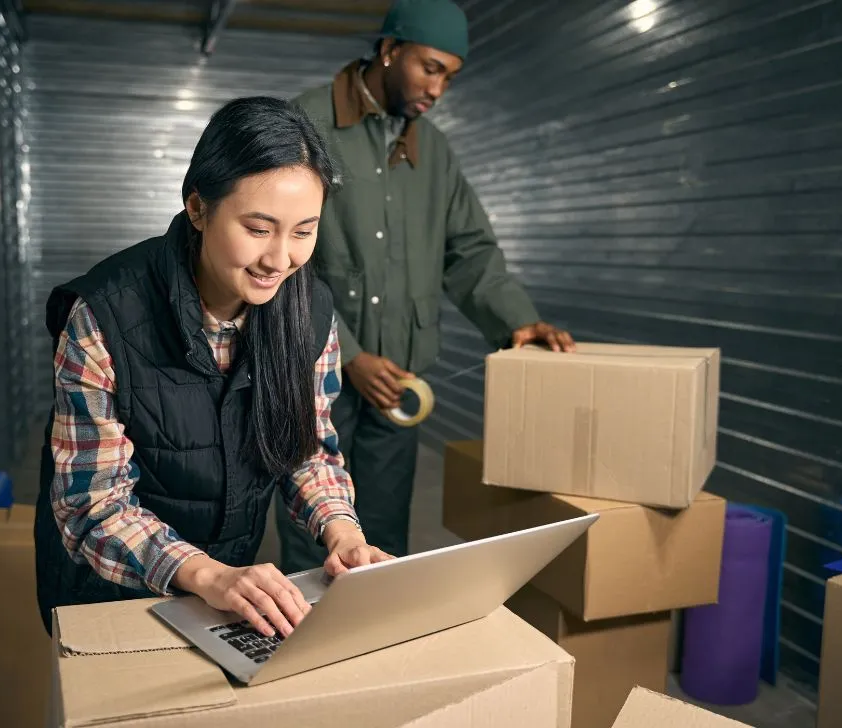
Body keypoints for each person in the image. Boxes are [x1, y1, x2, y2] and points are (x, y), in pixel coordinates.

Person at [33, 96, 391, 640]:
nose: (280, 260)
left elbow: (305, 447)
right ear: (198, 208)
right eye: (258, 228)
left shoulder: (310, 310)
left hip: (224, 593)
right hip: (108, 595)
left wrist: (342, 531)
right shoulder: (104, 315)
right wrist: (206, 574)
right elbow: (93, 504)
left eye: (303, 232)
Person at [275, 0, 576, 574]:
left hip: (400, 384)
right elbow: (283, 263)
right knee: (312, 530)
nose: (438, 89)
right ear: (389, 51)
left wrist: (517, 320)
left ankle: (379, 653)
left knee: (383, 535)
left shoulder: (432, 151)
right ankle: (305, 652)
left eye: (450, 77)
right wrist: (352, 357)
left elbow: (470, 250)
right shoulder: (306, 124)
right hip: (315, 377)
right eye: (430, 68)